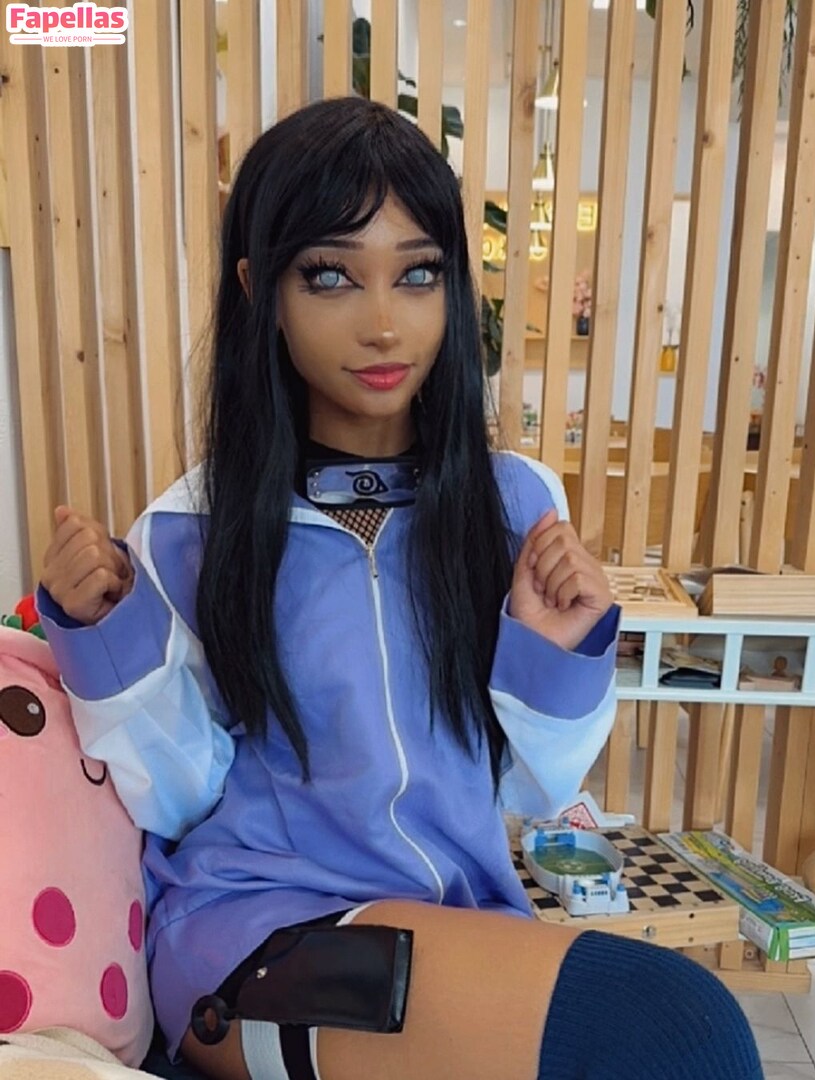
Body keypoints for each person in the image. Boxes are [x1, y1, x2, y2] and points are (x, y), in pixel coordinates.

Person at [38, 97, 763, 1080]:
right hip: (250, 936)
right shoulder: (190, 528)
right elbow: (176, 795)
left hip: (460, 919)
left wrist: (558, 653)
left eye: (418, 273)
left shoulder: (514, 507)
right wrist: (108, 637)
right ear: (260, 290)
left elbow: (538, 788)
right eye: (330, 274)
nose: (384, 323)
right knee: (674, 1033)